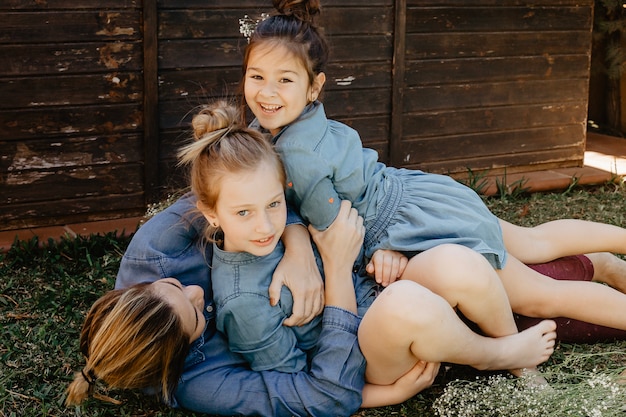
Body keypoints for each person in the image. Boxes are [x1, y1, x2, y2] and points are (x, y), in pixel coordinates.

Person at [240, 0, 626, 342]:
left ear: (314, 86)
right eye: (257, 76)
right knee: (533, 242)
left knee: (540, 295)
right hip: (420, 195)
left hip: (407, 225)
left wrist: (381, 252)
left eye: (284, 80)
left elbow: (338, 230)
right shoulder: (292, 122)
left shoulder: (295, 151)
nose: (267, 92)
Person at [64, 184, 626, 414]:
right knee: (517, 293)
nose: (193, 288)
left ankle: (595, 266)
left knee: (508, 270)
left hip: (366, 254)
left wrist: (300, 246)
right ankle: (591, 273)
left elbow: (259, 185)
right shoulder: (195, 383)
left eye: (174, 287)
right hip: (376, 316)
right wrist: (377, 395)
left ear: (138, 287)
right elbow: (314, 396)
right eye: (196, 312)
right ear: (185, 353)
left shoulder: (155, 252)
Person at [176, 99, 559, 378]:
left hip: (374, 290)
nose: (265, 225)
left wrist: (383, 255)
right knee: (404, 303)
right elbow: (297, 386)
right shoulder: (245, 306)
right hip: (360, 355)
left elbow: (347, 239)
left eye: (274, 204)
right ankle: (494, 354)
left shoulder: (282, 219)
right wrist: (384, 395)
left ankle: (520, 355)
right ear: (212, 213)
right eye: (244, 213)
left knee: (458, 263)